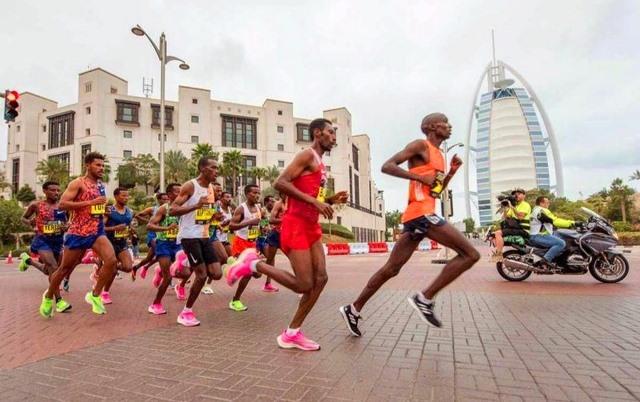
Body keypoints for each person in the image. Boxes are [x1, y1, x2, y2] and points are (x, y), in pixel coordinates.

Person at [338, 113, 481, 336]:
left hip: (418, 214)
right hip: (421, 213)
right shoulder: (420, 146)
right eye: (445, 123)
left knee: (391, 269)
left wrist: (451, 172)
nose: (450, 126)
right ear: (432, 127)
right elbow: (387, 166)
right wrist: (419, 178)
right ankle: (425, 298)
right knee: (471, 254)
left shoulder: (439, 156)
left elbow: (436, 190)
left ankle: (353, 309)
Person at [225, 118, 348, 351]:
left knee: (321, 279)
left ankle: (291, 333)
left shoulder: (320, 163)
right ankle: (253, 264)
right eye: (330, 132)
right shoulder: (307, 155)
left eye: (335, 134)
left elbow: (311, 195)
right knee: (303, 284)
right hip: (295, 225)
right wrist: (314, 201)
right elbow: (280, 182)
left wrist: (330, 200)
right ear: (317, 133)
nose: (334, 138)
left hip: (311, 226)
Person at [39, 152, 117, 317]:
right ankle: (48, 296)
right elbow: (62, 204)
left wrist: (104, 210)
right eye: (98, 165)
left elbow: (95, 208)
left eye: (103, 165)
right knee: (64, 269)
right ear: (87, 165)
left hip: (97, 230)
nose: (101, 168)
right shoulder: (78, 183)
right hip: (78, 231)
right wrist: (90, 202)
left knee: (111, 261)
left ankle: (94, 295)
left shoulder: (100, 186)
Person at [170, 157, 221, 327]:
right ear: (202, 169)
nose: (216, 171)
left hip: (204, 235)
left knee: (217, 273)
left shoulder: (211, 188)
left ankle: (185, 261)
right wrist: (195, 206)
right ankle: (186, 312)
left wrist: (214, 217)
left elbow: (204, 213)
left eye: (217, 168)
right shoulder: (190, 186)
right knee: (202, 275)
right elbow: (173, 210)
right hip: (189, 236)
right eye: (213, 168)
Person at [19, 181, 71, 312]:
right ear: (45, 191)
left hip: (58, 241)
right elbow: (23, 218)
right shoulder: (36, 205)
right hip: (42, 240)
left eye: (58, 190)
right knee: (53, 267)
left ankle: (28, 261)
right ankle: (58, 301)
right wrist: (30, 222)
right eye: (52, 190)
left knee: (49, 271)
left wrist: (66, 226)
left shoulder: (63, 206)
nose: (56, 193)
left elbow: (69, 221)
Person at [227, 184, 264, 311]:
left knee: (258, 274)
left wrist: (262, 229)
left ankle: (233, 267)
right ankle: (235, 300)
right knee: (249, 272)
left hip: (252, 243)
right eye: (254, 193)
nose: (257, 195)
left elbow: (258, 223)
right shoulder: (241, 209)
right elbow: (231, 226)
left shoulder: (258, 207)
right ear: (247, 194)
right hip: (241, 243)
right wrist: (249, 222)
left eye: (258, 193)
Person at [146, 183, 182, 314]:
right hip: (164, 244)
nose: (180, 194)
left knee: (186, 273)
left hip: (178, 244)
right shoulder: (163, 209)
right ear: (170, 194)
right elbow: (149, 226)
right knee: (168, 277)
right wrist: (166, 228)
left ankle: (162, 273)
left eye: (181, 191)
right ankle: (156, 304)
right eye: (177, 192)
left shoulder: (184, 208)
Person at [99, 187, 134, 304]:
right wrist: (114, 228)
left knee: (128, 267)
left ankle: (106, 267)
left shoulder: (129, 211)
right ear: (116, 196)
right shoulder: (109, 210)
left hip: (122, 242)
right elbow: (100, 228)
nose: (126, 198)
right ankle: (105, 293)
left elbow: (128, 226)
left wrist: (130, 231)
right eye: (123, 196)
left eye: (127, 196)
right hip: (108, 243)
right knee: (113, 271)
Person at [529, 196, 576, 268]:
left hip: (536, 235)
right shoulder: (542, 210)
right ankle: (545, 260)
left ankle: (557, 259)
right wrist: (572, 223)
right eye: (547, 202)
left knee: (560, 236)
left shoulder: (535, 210)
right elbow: (554, 221)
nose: (549, 204)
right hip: (539, 236)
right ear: (541, 203)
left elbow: (547, 222)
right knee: (561, 243)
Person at [132, 192, 168, 280]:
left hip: (163, 235)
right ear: (158, 200)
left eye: (167, 199)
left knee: (149, 258)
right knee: (162, 254)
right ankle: (166, 277)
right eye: (164, 199)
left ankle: (137, 267)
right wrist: (149, 222)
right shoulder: (152, 209)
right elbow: (137, 215)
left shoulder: (169, 209)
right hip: (153, 236)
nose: (166, 201)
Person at [492, 189, 531, 261]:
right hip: (515, 228)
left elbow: (520, 217)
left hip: (523, 229)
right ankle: (499, 253)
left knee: (498, 233)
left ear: (524, 195)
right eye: (515, 194)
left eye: (519, 194)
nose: (516, 195)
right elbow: (505, 218)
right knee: (494, 236)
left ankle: (498, 256)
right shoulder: (514, 206)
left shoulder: (525, 204)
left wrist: (512, 207)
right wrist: (505, 207)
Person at [258, 194, 284, 293]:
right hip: (260, 239)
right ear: (266, 202)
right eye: (271, 201)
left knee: (270, 260)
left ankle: (268, 284)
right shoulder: (262, 210)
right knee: (270, 260)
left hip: (269, 238)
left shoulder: (275, 210)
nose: (273, 203)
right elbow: (258, 221)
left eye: (274, 201)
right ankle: (256, 265)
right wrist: (264, 227)